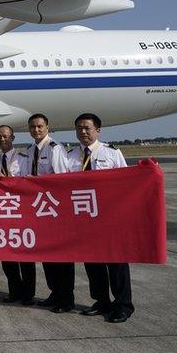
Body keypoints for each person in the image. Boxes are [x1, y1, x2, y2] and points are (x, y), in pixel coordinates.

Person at [69, 113, 134, 323]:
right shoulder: (70, 156)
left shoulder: (112, 153)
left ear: (98, 130)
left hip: (110, 218)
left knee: (116, 264)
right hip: (85, 219)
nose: (83, 132)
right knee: (93, 263)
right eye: (79, 128)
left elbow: (126, 184)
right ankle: (101, 301)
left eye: (87, 128)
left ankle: (123, 305)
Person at [22, 113, 72, 313]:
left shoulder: (55, 149)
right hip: (39, 209)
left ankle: (66, 298)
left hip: (54, 210)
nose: (36, 130)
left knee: (61, 258)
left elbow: (60, 180)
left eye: (40, 126)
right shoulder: (30, 149)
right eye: (33, 127)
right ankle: (55, 292)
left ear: (47, 127)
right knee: (48, 257)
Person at [0, 125, 35, 305]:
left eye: (6, 137)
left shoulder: (23, 159)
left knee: (25, 258)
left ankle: (28, 294)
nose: (3, 140)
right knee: (7, 257)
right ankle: (14, 290)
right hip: (1, 214)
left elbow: (28, 184)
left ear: (13, 138)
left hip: (21, 213)